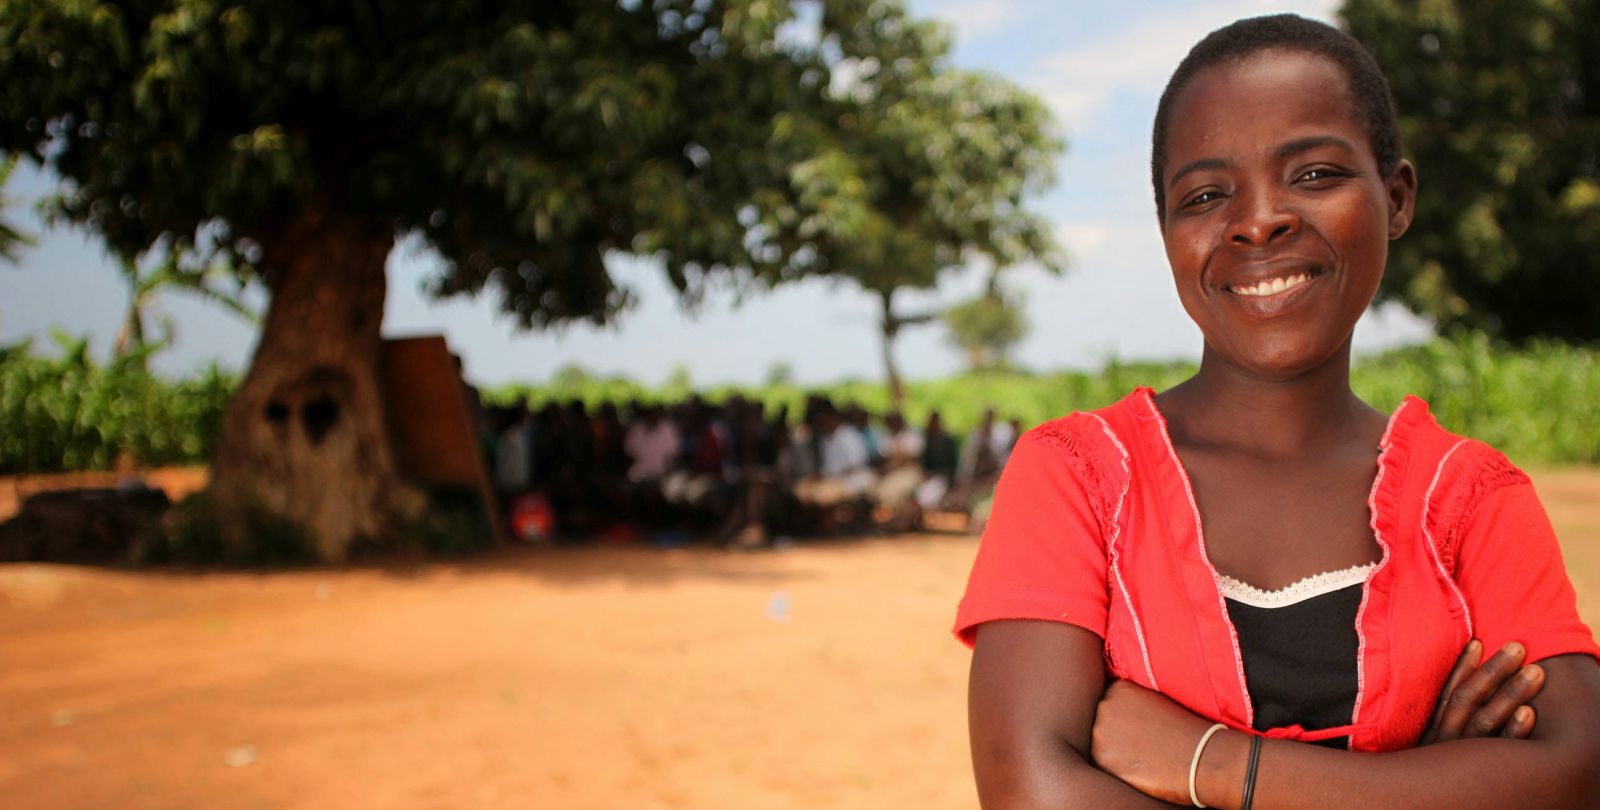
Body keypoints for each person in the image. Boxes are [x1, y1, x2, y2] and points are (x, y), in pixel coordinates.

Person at [956, 15, 1600, 810]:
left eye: (1315, 174)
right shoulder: (1078, 478)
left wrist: (1215, 765)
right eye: (1205, 195)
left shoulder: (1472, 498)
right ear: (1167, 232)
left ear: (1396, 197)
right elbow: (1032, 793)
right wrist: (1419, 786)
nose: (1259, 220)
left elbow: (1578, 774)